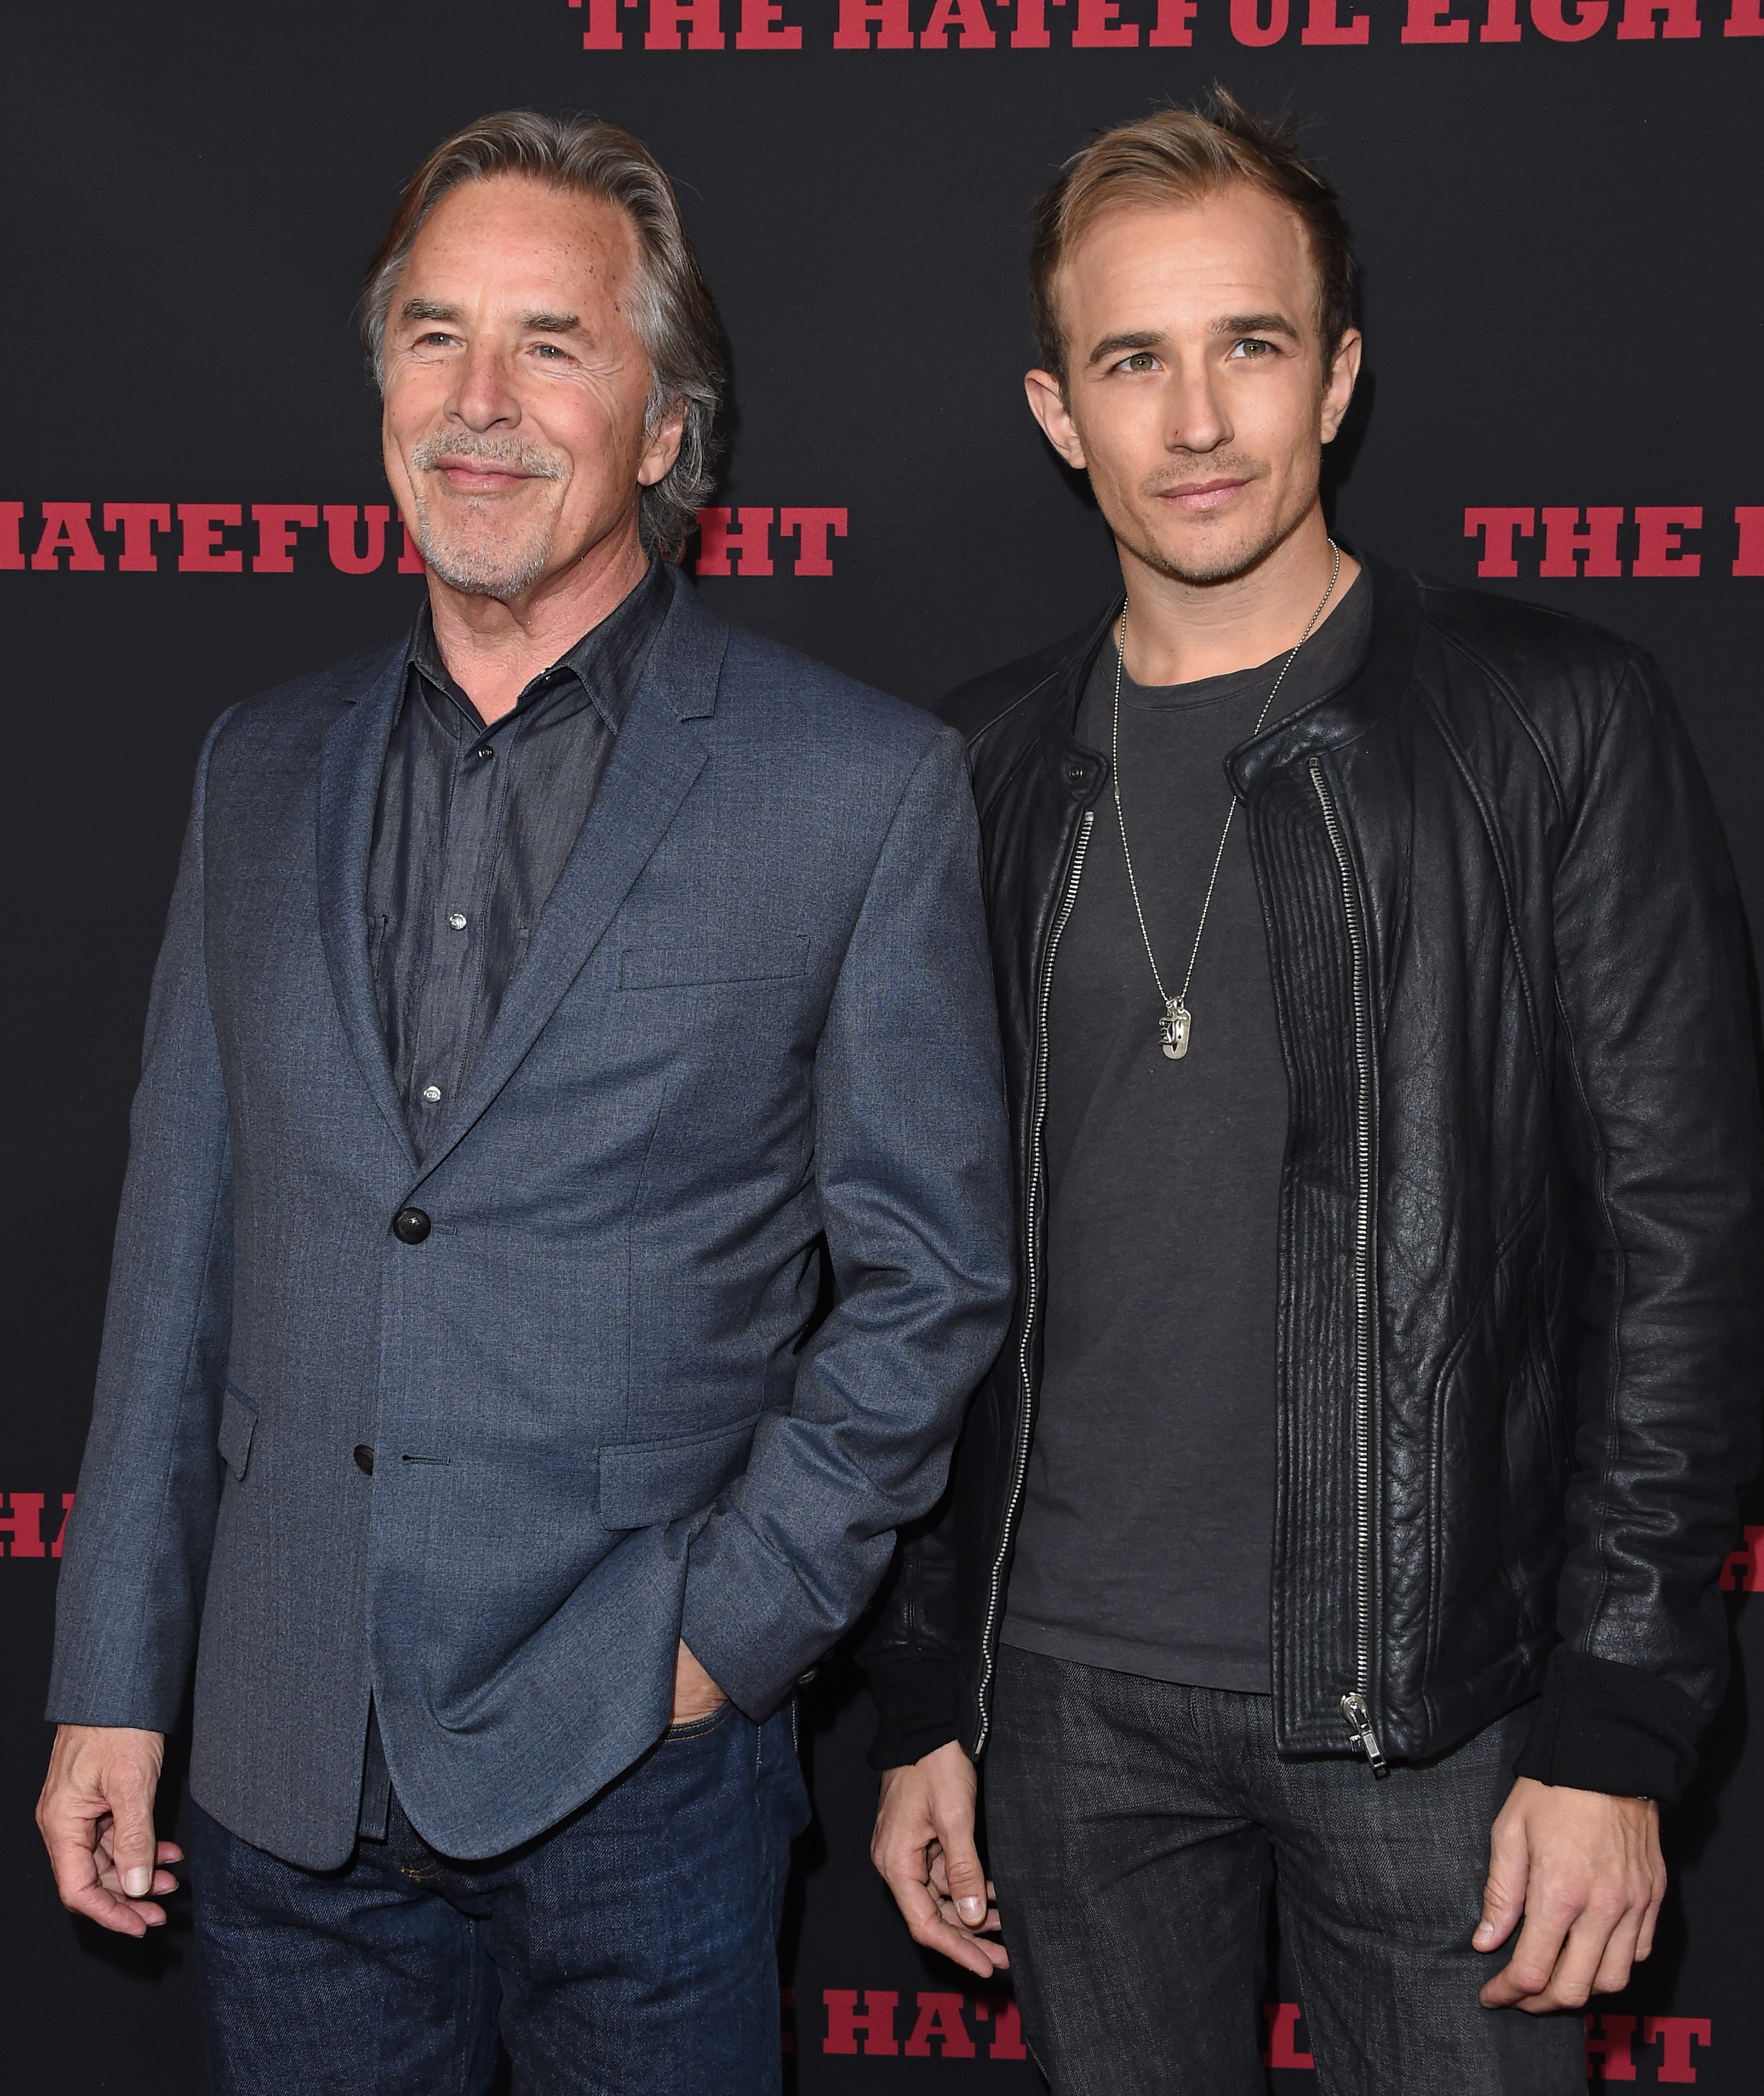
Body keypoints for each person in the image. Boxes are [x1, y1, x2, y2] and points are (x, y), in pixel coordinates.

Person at [37, 109, 1013, 2096]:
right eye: (433, 336)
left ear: (664, 427)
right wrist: (113, 1684)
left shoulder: (851, 787)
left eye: (551, 345)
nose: (479, 405)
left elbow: (933, 1281)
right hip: (281, 1769)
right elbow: (176, 1250)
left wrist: (725, 1636)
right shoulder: (258, 769)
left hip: (631, 1774)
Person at [865, 91, 1764, 2096]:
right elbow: (916, 1265)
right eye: (1132, 361)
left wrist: (1617, 1727)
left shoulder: (1553, 728)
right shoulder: (974, 771)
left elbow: (1679, 1251)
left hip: (1438, 1707)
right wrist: (926, 1685)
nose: (1192, 421)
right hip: (1062, 1706)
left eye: (1247, 347)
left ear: (1336, 376)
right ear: (1053, 409)